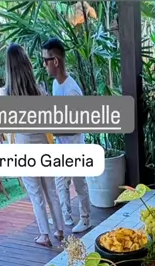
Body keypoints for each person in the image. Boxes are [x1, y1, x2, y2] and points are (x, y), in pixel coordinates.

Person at [0, 43, 64, 248]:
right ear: (27, 64)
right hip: (43, 145)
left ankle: (44, 235)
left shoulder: (4, 94)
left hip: (24, 148)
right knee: (51, 190)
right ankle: (60, 230)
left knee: (36, 194)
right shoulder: (39, 91)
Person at [41, 37, 91, 233]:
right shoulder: (56, 85)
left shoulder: (71, 90)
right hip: (62, 146)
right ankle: (66, 217)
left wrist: (52, 130)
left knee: (79, 185)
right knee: (61, 182)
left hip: (75, 147)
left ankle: (85, 219)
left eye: (45, 60)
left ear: (55, 61)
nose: (44, 65)